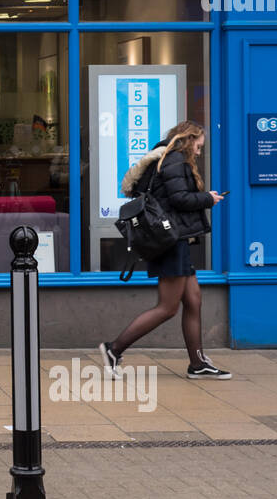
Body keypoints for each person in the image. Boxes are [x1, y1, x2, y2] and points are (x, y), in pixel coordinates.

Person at [98, 120, 231, 379]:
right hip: (172, 241)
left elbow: (174, 197)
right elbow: (179, 199)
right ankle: (114, 349)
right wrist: (209, 199)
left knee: (193, 300)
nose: (199, 152)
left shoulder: (169, 159)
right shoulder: (175, 162)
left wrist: (205, 196)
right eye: (199, 146)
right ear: (189, 140)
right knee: (167, 307)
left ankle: (197, 363)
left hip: (177, 238)